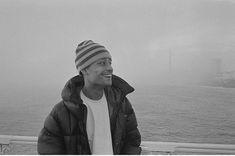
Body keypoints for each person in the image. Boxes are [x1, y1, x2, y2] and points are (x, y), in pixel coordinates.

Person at [37, 40, 142, 155]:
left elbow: (132, 142)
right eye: (102, 63)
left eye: (110, 62)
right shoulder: (61, 112)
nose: (110, 68)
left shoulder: (122, 103)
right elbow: (48, 150)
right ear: (84, 69)